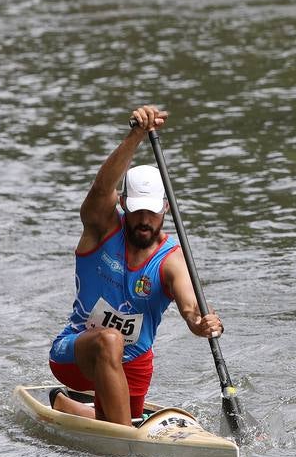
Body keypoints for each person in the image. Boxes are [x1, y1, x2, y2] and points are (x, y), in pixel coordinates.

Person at [48, 105, 224, 426]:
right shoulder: (101, 227)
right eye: (137, 210)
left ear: (166, 208)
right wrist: (137, 135)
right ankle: (125, 450)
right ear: (123, 203)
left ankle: (67, 405)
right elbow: (101, 189)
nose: (144, 220)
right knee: (109, 339)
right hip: (76, 354)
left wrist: (201, 322)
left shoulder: (172, 258)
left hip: (134, 363)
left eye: (152, 212)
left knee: (110, 418)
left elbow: (190, 305)